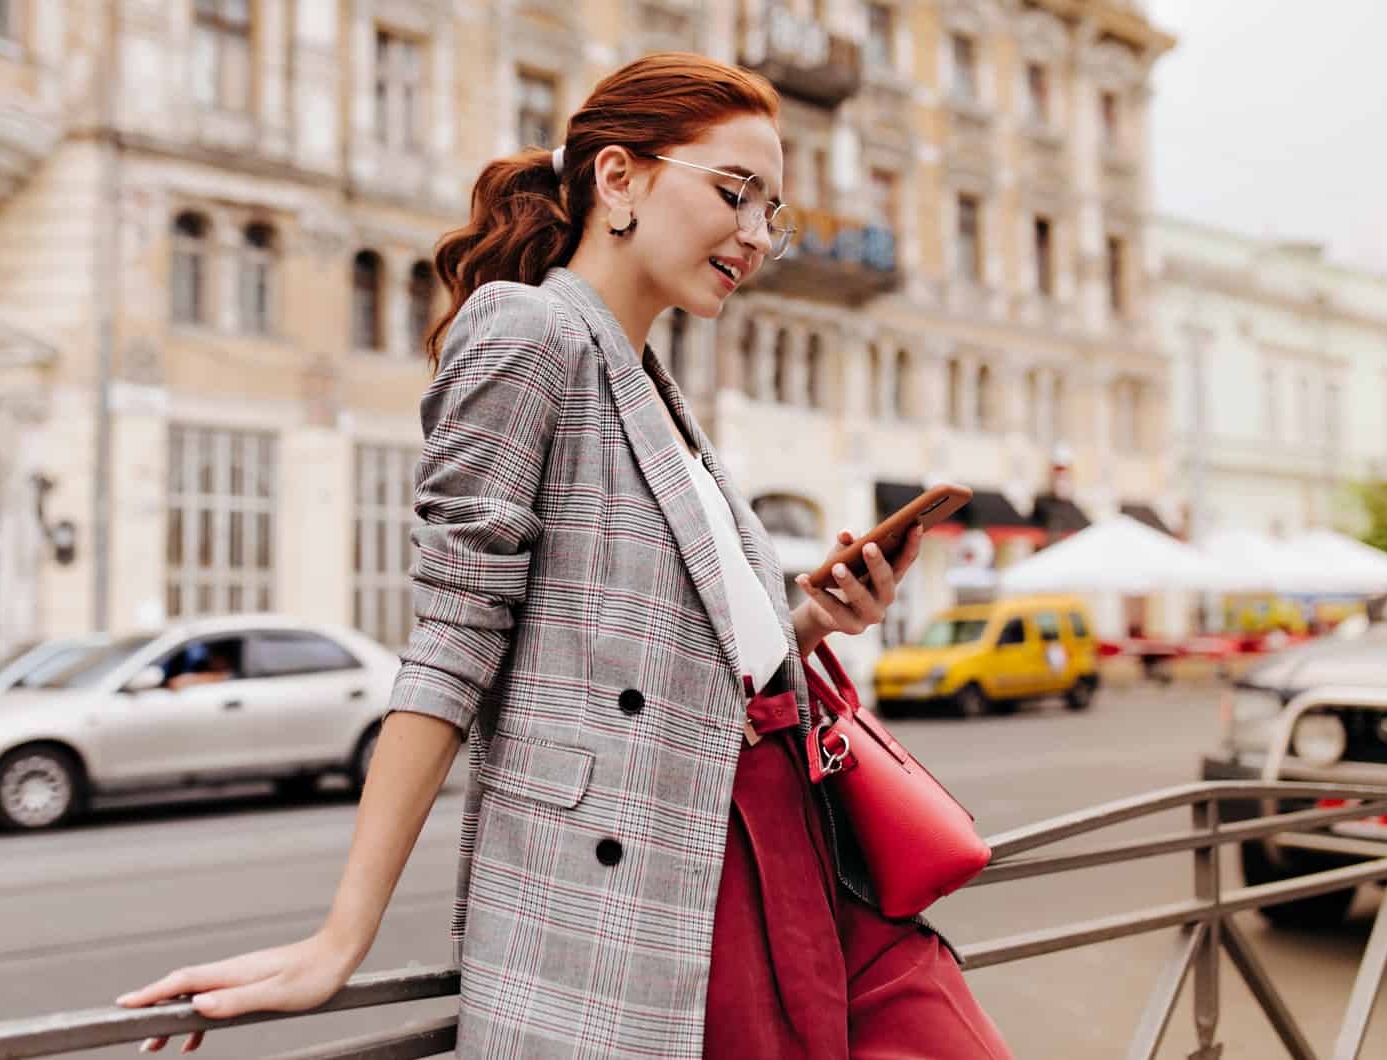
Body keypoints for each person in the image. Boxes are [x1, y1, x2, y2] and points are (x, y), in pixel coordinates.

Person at [116, 52, 1013, 1059]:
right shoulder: (528, 330)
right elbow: (455, 633)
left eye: (775, 212)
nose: (757, 236)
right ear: (618, 179)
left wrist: (808, 618)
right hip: (656, 881)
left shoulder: (654, 383)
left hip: (781, 853)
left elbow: (656, 644)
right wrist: (342, 935)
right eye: (735, 193)